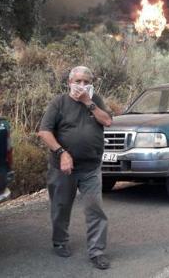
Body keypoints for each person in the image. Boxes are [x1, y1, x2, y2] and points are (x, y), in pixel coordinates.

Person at [38, 66, 113, 270]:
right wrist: (62, 152)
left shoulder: (95, 100)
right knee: (61, 207)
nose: (81, 85)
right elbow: (44, 132)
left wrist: (88, 102)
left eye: (86, 82)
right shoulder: (59, 102)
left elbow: (107, 121)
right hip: (62, 168)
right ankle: (60, 241)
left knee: (95, 209)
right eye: (77, 81)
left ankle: (97, 251)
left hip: (90, 168)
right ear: (69, 82)